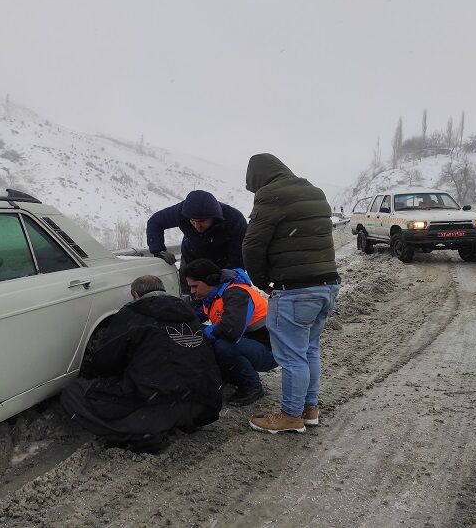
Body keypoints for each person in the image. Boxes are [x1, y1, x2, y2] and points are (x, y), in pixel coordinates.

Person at [60, 275, 223, 453]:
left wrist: (95, 376)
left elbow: (105, 360)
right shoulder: (189, 312)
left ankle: (140, 435)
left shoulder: (133, 313)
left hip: (157, 402)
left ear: (136, 295)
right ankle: (181, 421)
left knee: (73, 393)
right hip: (203, 402)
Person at [241, 153, 340, 434]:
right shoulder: (314, 191)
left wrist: (262, 282)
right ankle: (309, 409)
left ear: (257, 177)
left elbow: (252, 246)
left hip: (295, 288)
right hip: (327, 285)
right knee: (309, 350)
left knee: (292, 356)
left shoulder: (270, 195)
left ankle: (290, 416)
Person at [181, 259, 277, 405]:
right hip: (250, 344)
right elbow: (193, 318)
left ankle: (253, 386)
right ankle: (234, 378)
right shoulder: (213, 295)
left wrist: (200, 335)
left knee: (222, 345)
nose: (192, 292)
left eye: (195, 286)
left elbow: (230, 330)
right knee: (211, 340)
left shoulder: (237, 294)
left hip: (270, 350)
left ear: (211, 280)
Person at [146, 190, 247, 269]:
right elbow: (155, 221)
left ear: (214, 217)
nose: (197, 226)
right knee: (189, 293)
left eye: (202, 221)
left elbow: (237, 257)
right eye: (193, 221)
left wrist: (227, 277)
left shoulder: (234, 219)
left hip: (222, 260)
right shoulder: (181, 212)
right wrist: (158, 250)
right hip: (191, 258)